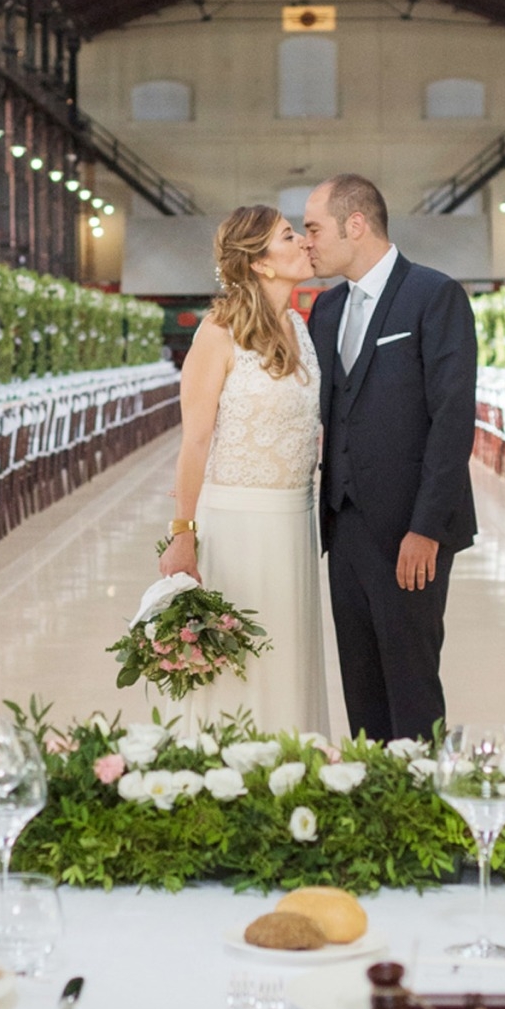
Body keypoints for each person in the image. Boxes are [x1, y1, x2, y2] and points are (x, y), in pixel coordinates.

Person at [303, 174, 478, 742]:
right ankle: (370, 804)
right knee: (360, 682)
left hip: (412, 534)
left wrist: (425, 528)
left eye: (313, 229)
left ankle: (422, 813)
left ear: (356, 224)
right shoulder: (325, 311)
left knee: (411, 683)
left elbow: (452, 422)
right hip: (344, 528)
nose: (307, 243)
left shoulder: (434, 295)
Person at [156, 204, 330, 734]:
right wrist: (181, 533)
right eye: (288, 236)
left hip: (293, 520)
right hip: (235, 524)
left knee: (286, 655)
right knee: (238, 664)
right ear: (260, 263)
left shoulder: (301, 327)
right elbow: (196, 440)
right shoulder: (218, 331)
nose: (304, 242)